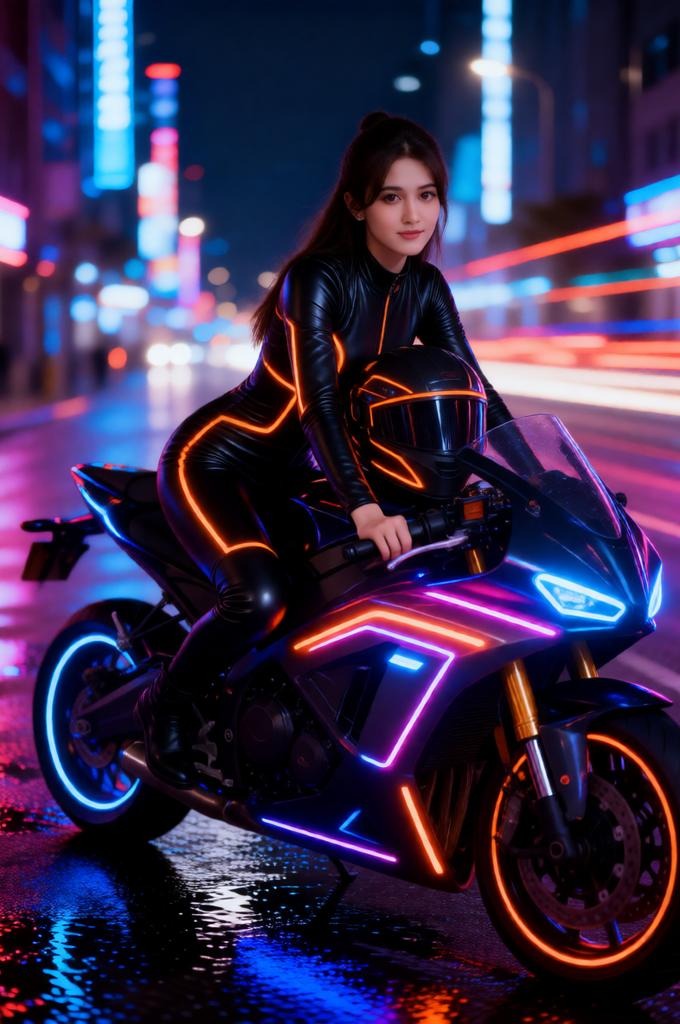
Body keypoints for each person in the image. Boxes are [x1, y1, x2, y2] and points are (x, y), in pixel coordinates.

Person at [135, 110, 513, 789]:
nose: (412, 214)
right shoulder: (318, 279)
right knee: (261, 594)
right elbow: (319, 406)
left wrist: (539, 479)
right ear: (357, 204)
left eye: (426, 195)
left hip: (303, 478)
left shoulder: (425, 287)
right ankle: (165, 701)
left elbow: (476, 387)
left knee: (364, 587)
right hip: (221, 464)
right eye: (392, 196)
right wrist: (365, 505)